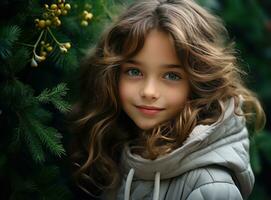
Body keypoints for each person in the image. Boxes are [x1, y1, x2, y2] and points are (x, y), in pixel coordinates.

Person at [71, 0, 266, 199]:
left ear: (198, 82)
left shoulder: (212, 187)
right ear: (112, 75)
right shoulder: (118, 155)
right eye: (134, 71)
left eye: (171, 76)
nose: (149, 91)